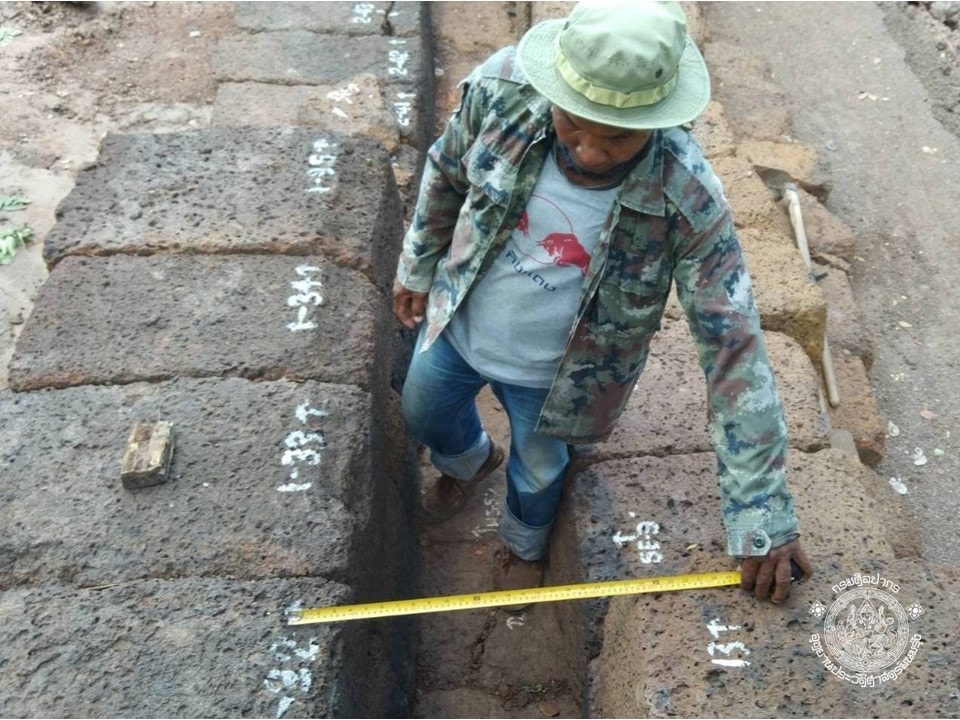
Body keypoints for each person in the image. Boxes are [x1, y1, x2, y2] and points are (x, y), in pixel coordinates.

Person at [393, 0, 813, 605]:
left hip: (558, 379)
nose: (589, 151)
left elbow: (734, 351)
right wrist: (418, 262)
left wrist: (761, 509)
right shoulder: (502, 92)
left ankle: (522, 542)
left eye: (617, 137)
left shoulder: (686, 198)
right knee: (422, 414)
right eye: (573, 125)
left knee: (539, 473)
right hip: (459, 323)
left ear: (659, 117)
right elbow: (447, 169)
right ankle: (468, 461)